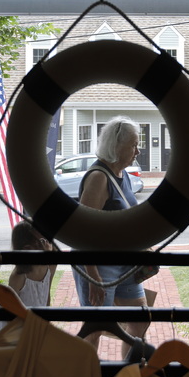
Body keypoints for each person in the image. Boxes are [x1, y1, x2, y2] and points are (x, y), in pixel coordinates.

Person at [72, 115, 150, 354]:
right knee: (95, 328)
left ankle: (126, 374)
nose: (138, 150)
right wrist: (94, 277)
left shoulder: (123, 174)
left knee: (140, 319)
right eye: (134, 144)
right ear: (117, 146)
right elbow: (81, 233)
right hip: (99, 267)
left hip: (124, 266)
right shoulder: (98, 178)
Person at [8, 220, 57, 307]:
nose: (49, 246)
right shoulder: (19, 277)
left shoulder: (50, 265)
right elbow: (10, 309)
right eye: (42, 241)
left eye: (48, 239)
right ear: (26, 248)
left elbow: (46, 295)